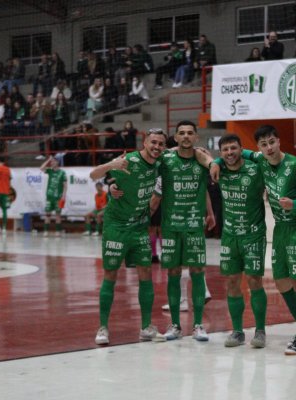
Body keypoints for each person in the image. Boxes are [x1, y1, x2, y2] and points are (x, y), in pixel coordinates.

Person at [225, 125, 296, 355]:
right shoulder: (260, 159)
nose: (268, 148)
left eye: (271, 142)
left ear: (278, 141)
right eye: (263, 144)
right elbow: (238, 152)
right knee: (281, 282)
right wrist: (216, 162)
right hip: (280, 229)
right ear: (259, 147)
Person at [88, 129, 168, 345]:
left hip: (140, 226)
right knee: (110, 274)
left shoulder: (160, 163)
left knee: (146, 273)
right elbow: (94, 175)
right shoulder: (129, 161)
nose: (157, 147)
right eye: (153, 142)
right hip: (116, 226)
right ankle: (103, 327)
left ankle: (146, 327)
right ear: (144, 142)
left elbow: (182, 151)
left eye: (161, 144)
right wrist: (111, 166)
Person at [152, 122, 219, 342]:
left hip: (193, 225)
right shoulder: (166, 159)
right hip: (171, 226)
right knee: (173, 272)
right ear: (176, 137)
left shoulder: (201, 159)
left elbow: (204, 189)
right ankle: (175, 325)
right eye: (182, 133)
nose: (186, 136)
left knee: (197, 270)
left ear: (196, 137)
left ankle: (198, 325)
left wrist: (210, 212)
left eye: (190, 133)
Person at [215, 134, 268, 348]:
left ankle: (260, 331)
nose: (230, 153)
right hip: (230, 236)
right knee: (232, 282)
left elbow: (269, 157)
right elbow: (200, 155)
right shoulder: (219, 169)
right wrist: (215, 162)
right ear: (220, 153)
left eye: (233, 148)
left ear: (241, 149)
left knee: (254, 280)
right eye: (225, 149)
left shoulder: (256, 169)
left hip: (253, 234)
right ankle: (237, 331)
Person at [41, 156, 67, 237]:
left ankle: (57, 232)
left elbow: (65, 185)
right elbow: (41, 168)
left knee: (58, 215)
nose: (52, 163)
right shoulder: (50, 171)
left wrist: (63, 196)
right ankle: (46, 231)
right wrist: (48, 160)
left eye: (53, 161)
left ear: (57, 162)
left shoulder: (62, 173)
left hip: (58, 197)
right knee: (47, 214)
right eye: (51, 162)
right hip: (49, 197)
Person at [0, 157, 12, 234]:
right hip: (5, 192)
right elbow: (10, 181)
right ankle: (4, 228)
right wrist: (8, 190)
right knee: (4, 210)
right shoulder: (8, 169)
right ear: (3, 162)